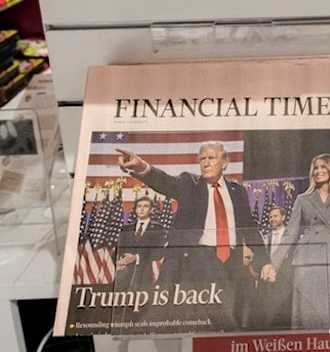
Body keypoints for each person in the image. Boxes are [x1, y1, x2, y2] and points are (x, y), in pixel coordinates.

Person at [115, 141, 276, 330]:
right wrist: (141, 167)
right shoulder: (189, 184)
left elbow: (249, 228)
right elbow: (164, 181)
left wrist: (265, 261)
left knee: (236, 318)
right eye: (202, 159)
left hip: (232, 263)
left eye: (211, 158)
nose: (206, 163)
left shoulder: (237, 191)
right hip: (197, 259)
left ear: (224, 163)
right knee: (211, 319)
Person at [274, 153, 330, 329]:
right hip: (308, 261)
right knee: (308, 316)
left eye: (323, 167)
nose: (319, 171)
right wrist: (273, 264)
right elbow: (290, 233)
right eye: (315, 167)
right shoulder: (303, 199)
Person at [114, 196, 166, 288]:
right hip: (125, 271)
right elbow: (119, 248)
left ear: (151, 210)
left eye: (145, 206)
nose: (141, 209)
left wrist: (136, 257)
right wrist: (122, 260)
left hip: (146, 271)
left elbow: (159, 252)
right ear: (135, 209)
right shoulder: (126, 228)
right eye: (139, 206)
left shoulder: (158, 228)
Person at [259, 205, 294, 329]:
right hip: (269, 282)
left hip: (286, 280)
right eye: (270, 217)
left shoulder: (291, 235)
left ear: (283, 217)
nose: (272, 219)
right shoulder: (266, 237)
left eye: (275, 216)